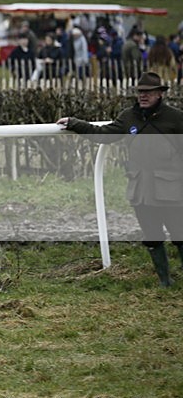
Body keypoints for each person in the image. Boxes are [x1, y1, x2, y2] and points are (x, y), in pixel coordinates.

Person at [57, 72, 183, 287]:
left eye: (148, 92)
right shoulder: (128, 116)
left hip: (172, 191)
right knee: (152, 237)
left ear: (160, 94)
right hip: (141, 191)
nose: (143, 96)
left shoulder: (175, 117)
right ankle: (165, 282)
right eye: (140, 92)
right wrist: (75, 123)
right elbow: (104, 134)